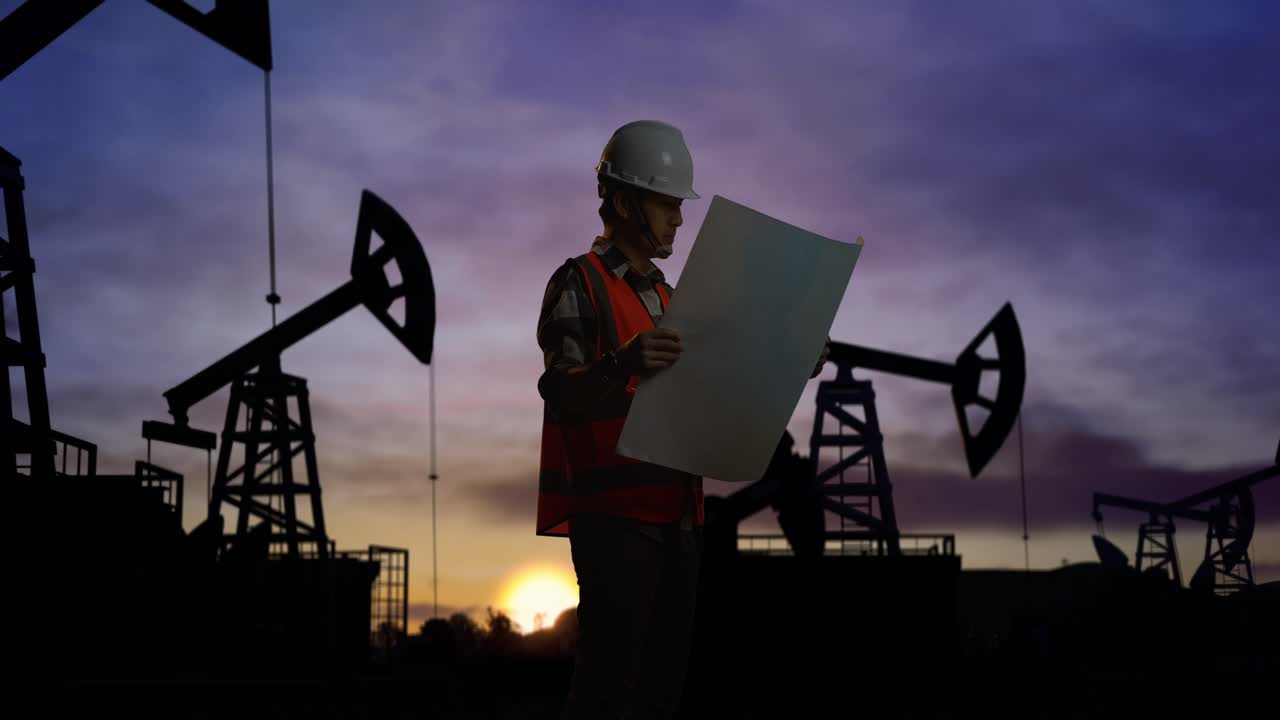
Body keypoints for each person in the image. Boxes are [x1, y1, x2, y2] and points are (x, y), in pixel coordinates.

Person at [536, 119, 829, 719]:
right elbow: (559, 392)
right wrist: (620, 364)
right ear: (625, 202)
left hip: (679, 519)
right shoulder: (578, 283)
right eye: (667, 203)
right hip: (616, 523)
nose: (678, 218)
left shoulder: (671, 299)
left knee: (661, 693)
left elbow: (712, 390)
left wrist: (790, 362)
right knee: (607, 690)